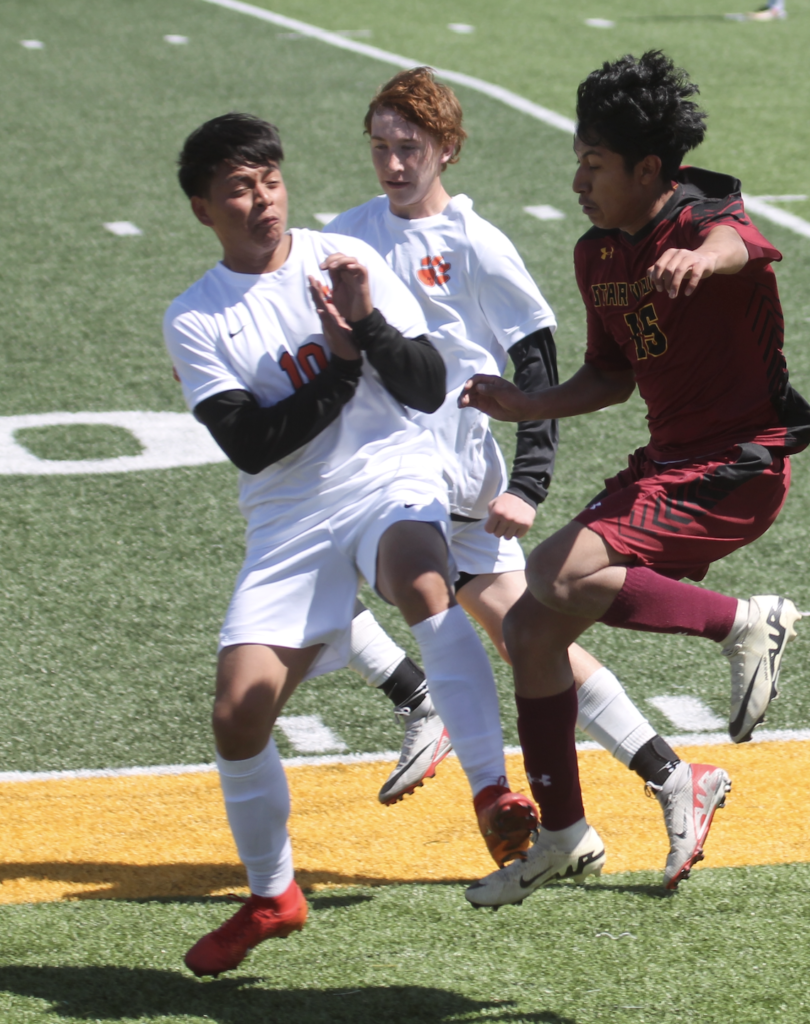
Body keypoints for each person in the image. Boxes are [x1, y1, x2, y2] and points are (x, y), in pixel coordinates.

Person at [325, 67, 732, 894]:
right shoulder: (346, 234)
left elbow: (535, 365)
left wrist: (530, 483)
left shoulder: (476, 242)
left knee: (311, 568)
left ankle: (420, 700)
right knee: (527, 638)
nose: (394, 163)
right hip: (395, 468)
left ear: (448, 148)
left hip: (454, 474)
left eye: (410, 147)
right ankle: (673, 775)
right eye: (380, 147)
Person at [163, 112, 535, 976]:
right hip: (288, 517)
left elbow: (427, 386)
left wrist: (367, 327)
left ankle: (491, 792)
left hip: (386, 473)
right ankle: (274, 895)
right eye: (239, 190)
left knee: (423, 581)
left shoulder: (343, 259)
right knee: (237, 713)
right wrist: (337, 368)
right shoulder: (195, 317)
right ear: (204, 210)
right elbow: (253, 444)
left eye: (270, 181)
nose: (262, 201)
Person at [460, 51, 810, 907]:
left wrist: (706, 261)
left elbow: (741, 242)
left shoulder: (703, 217)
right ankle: (564, 833)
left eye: (594, 163)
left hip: (741, 462)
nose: (578, 181)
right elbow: (612, 375)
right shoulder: (597, 254)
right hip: (668, 462)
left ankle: (746, 622)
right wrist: (528, 403)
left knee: (553, 572)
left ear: (649, 169)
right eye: (578, 160)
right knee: (530, 631)